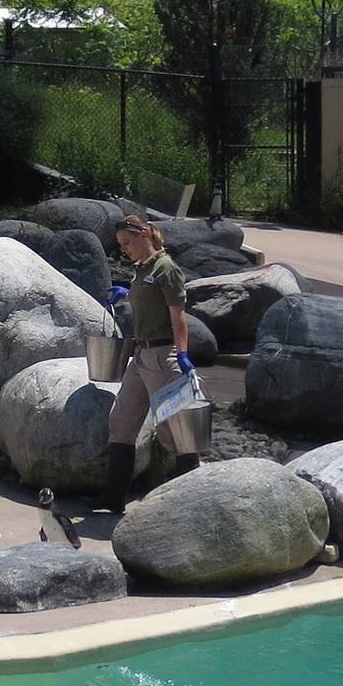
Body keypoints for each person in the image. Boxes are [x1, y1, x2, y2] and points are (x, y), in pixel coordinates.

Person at [94, 215, 199, 513]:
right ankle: (114, 497)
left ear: (143, 234)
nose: (124, 250)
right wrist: (126, 294)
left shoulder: (166, 268)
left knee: (173, 431)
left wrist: (182, 353)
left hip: (163, 356)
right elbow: (148, 300)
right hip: (140, 356)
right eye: (121, 246)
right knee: (122, 423)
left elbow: (178, 315)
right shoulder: (142, 270)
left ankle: (191, 501)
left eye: (127, 242)